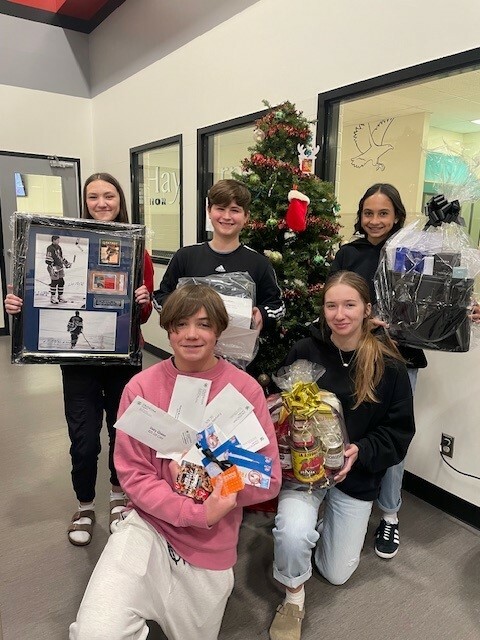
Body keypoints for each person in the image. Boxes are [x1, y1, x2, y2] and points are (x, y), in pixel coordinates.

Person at [69, 284, 282, 640]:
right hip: (148, 527)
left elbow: (268, 477)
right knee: (94, 632)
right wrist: (194, 511)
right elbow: (134, 474)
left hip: (209, 543)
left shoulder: (244, 391)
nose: (191, 335)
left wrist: (218, 491)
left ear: (218, 330)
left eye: (203, 324)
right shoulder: (142, 387)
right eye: (180, 324)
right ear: (168, 331)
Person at [4, 172, 154, 546]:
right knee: (84, 438)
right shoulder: (62, 243)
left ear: (120, 200)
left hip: (123, 359)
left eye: (109, 196)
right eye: (93, 197)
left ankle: (120, 498)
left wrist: (143, 303)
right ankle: (85, 504)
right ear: (84, 202)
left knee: (124, 432)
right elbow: (33, 293)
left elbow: (145, 314)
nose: (101, 203)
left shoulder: (137, 250)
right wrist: (17, 307)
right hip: (78, 361)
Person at [269, 271, 415, 640]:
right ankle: (293, 597)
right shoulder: (304, 351)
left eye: (350, 304)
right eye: (331, 305)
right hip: (304, 472)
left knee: (335, 573)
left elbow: (398, 433)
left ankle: (319, 529)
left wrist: (360, 451)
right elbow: (277, 408)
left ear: (367, 309)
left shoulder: (389, 364)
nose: (340, 314)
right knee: (292, 533)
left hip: (357, 473)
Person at [329, 183, 427, 559]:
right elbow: (334, 301)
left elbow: (433, 300)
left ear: (397, 215)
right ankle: (342, 498)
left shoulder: (413, 253)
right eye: (368, 213)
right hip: (352, 356)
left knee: (393, 437)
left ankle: (389, 514)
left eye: (383, 213)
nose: (375, 221)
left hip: (398, 360)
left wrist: (462, 311)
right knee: (348, 428)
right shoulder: (349, 253)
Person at [153, 178, 285, 333]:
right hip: (191, 347)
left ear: (246, 217)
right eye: (220, 209)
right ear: (209, 211)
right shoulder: (185, 256)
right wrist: (180, 311)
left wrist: (262, 314)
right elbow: (160, 297)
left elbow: (277, 306)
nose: (227, 216)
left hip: (238, 353)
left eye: (235, 210)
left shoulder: (259, 263)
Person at [45, 235, 72, 304]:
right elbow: (48, 259)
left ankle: (60, 297)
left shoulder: (58, 247)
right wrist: (52, 267)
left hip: (59, 267)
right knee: (54, 282)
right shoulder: (50, 248)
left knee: (61, 281)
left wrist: (66, 263)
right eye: (57, 240)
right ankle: (53, 297)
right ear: (53, 240)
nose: (58, 241)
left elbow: (60, 257)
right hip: (53, 267)